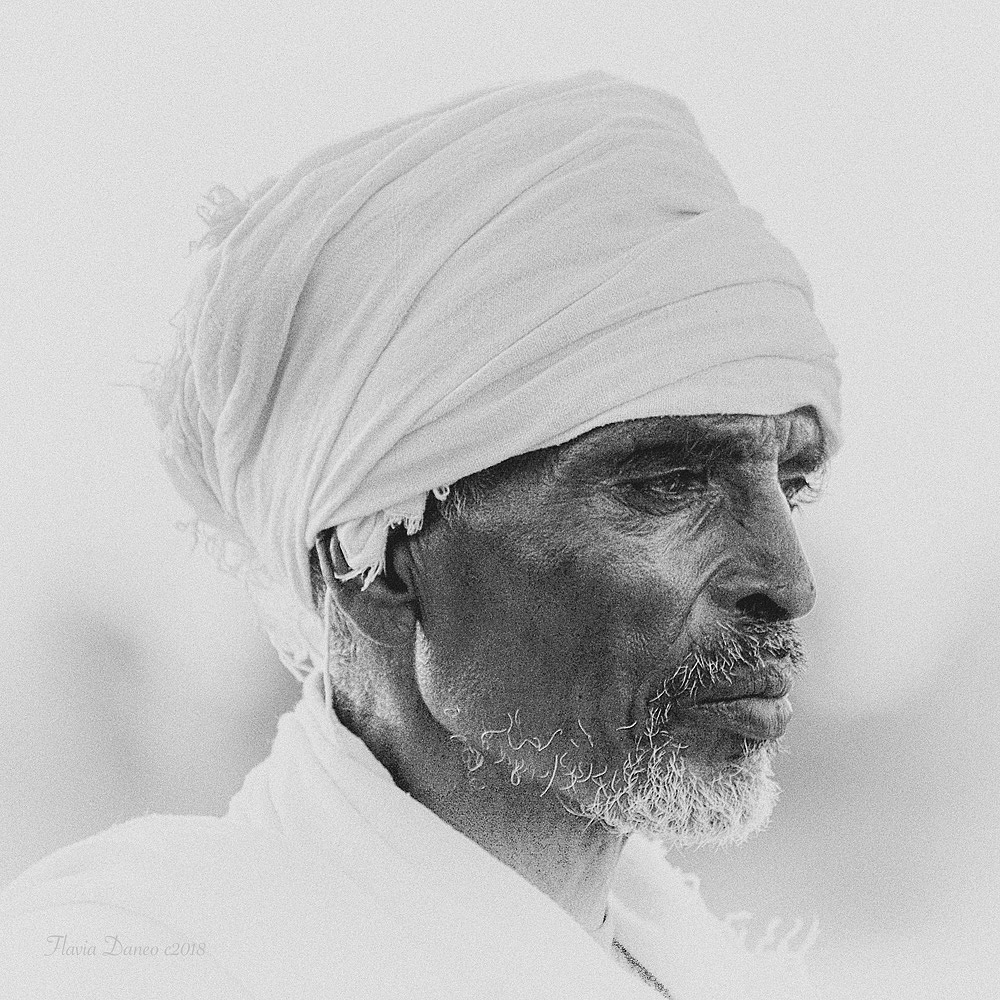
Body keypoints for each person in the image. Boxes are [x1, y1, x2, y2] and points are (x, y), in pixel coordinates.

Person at [0, 71, 840, 998]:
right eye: (669, 484)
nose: (789, 582)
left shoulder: (703, 969)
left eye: (792, 486)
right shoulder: (148, 961)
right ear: (376, 562)